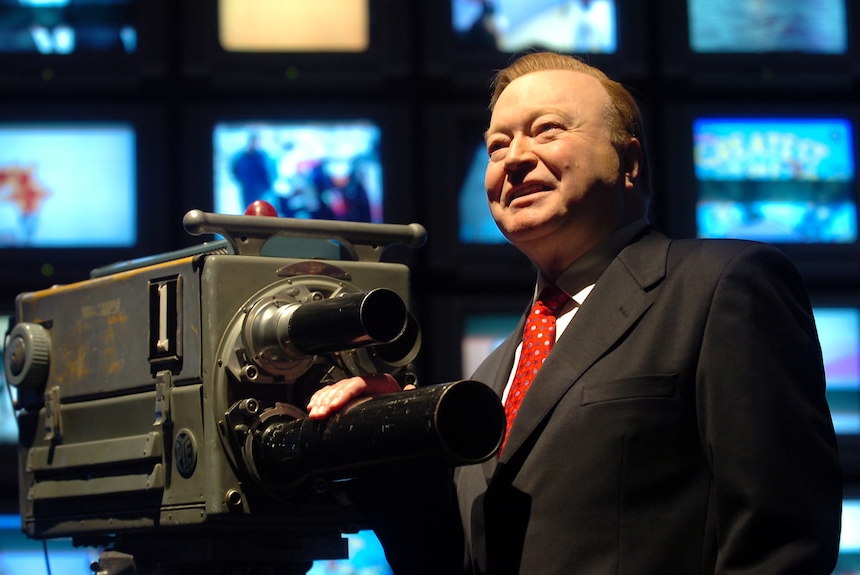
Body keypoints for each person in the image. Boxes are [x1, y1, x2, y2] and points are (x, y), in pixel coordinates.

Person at [306, 52, 843, 574]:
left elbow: (782, 539)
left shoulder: (723, 286)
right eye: (497, 145)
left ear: (629, 163)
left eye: (547, 130)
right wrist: (394, 440)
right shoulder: (491, 376)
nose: (513, 158)